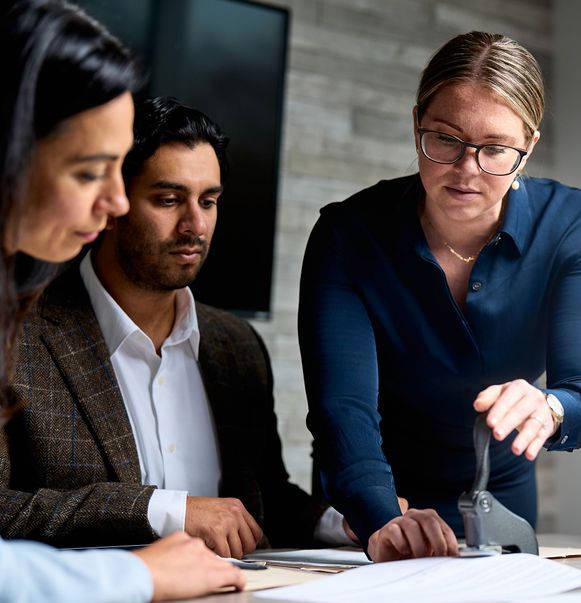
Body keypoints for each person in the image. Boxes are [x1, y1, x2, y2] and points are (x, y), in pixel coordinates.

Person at [299, 31, 581, 562]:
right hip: (370, 502)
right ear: (416, 123)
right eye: (446, 139)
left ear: (528, 149)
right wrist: (382, 518)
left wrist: (550, 407)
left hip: (498, 501)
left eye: (495, 148)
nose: (467, 169)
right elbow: (342, 408)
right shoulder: (348, 234)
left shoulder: (575, 227)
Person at [0, 96, 364, 558]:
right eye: (169, 200)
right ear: (113, 202)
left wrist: (346, 523)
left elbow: (261, 498)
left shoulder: (236, 345)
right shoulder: (17, 334)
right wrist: (161, 510)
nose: (195, 225)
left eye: (208, 201)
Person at [0, 0, 242, 603]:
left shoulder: (232, 344)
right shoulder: (29, 321)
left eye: (210, 200)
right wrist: (137, 569)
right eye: (89, 172)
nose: (111, 203)